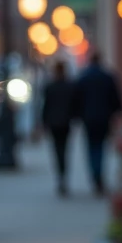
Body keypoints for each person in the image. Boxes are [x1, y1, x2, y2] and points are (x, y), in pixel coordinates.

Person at [71, 50, 122, 194]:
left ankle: (95, 176)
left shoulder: (83, 77)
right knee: (101, 147)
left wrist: (77, 116)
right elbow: (116, 98)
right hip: (104, 118)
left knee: (91, 147)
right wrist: (118, 113)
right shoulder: (107, 77)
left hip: (88, 119)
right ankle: (98, 176)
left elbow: (76, 100)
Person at [40, 60, 75, 195]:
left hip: (54, 123)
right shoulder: (69, 86)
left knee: (57, 151)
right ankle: (63, 176)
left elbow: (45, 107)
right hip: (65, 123)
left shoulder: (50, 86)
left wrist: (43, 123)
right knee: (64, 150)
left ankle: (61, 177)